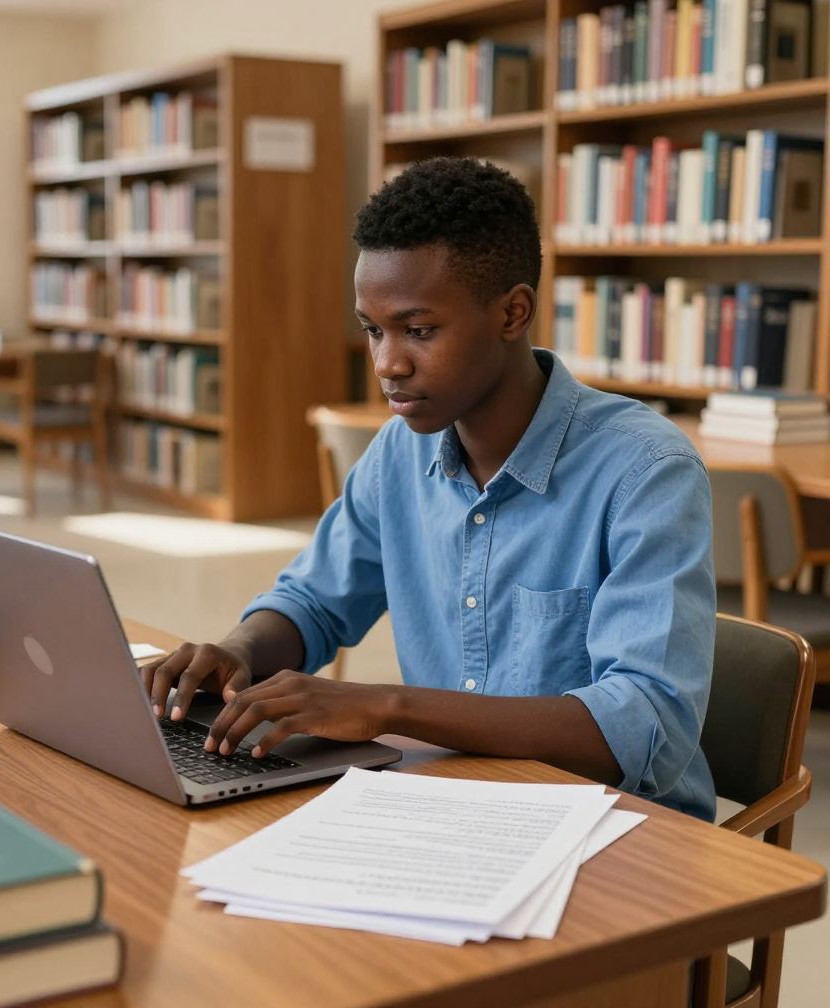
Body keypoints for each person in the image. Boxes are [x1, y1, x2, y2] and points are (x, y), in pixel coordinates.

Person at [143, 156, 717, 821]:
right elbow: (314, 602)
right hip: (454, 806)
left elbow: (648, 724)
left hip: (616, 826)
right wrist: (237, 652)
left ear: (513, 313)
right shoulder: (399, 449)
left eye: (418, 330)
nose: (387, 363)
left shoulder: (645, 470)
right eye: (372, 330)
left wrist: (387, 706)